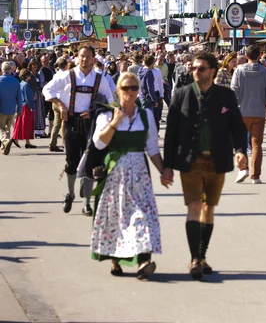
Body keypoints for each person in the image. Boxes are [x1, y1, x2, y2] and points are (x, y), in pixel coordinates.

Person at [163, 52, 247, 279]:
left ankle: (202, 255)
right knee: (194, 207)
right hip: (190, 162)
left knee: (209, 209)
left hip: (217, 160)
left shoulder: (226, 96)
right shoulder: (181, 95)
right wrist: (167, 166)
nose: (196, 72)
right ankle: (194, 259)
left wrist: (240, 151)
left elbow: (237, 127)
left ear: (212, 71)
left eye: (201, 68)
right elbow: (170, 134)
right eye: (194, 68)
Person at [91, 72, 171, 277]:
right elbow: (99, 143)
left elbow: (152, 148)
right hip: (114, 173)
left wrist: (163, 171)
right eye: (125, 88)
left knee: (141, 217)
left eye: (134, 88)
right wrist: (115, 123)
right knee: (116, 216)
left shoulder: (146, 116)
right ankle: (115, 259)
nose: (130, 92)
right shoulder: (107, 115)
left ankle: (144, 262)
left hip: (139, 174)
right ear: (118, 90)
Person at [43, 46, 114, 215]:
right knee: (72, 162)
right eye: (82, 56)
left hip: (91, 125)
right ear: (77, 58)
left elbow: (110, 103)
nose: (84, 60)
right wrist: (60, 105)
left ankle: (86, 204)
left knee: (90, 163)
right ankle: (70, 193)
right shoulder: (67, 75)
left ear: (93, 59)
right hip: (71, 123)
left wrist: (94, 111)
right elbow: (47, 89)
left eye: (88, 57)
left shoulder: (100, 79)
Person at [231, 45, 266, 184]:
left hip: (241, 111)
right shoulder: (265, 72)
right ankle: (255, 176)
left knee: (240, 143)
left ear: (247, 56)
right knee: (256, 145)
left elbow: (234, 91)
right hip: (259, 112)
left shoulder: (239, 71)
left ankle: (243, 168)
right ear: (259, 55)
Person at [0, 61, 22, 155]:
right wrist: (19, 109)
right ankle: (4, 147)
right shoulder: (16, 81)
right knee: (7, 128)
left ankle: (5, 141)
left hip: (1, 108)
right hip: (12, 108)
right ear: (11, 70)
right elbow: (19, 97)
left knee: (1, 128)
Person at [12, 68, 36, 149]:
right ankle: (21, 140)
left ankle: (26, 141)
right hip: (27, 107)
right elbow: (28, 98)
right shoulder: (26, 85)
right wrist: (32, 106)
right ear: (27, 76)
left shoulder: (21, 84)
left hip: (22, 106)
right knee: (27, 125)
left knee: (21, 124)